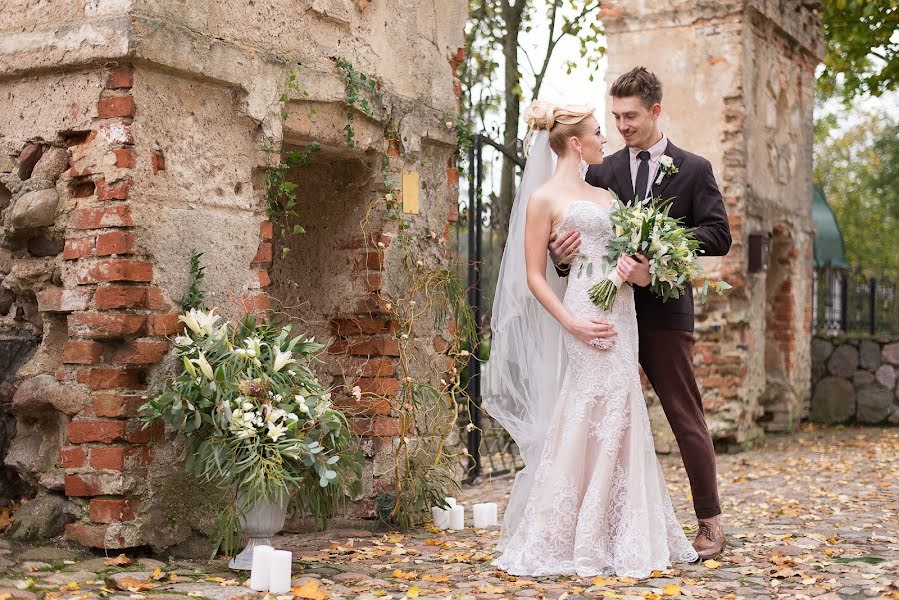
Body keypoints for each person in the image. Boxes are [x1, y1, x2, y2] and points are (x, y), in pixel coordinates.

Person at [485, 100, 699, 578]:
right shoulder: (543, 200)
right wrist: (571, 323)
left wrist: (639, 273)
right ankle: (569, 531)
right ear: (576, 143)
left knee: (622, 409)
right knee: (586, 407)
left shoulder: (605, 195)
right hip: (582, 312)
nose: (607, 139)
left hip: (622, 315)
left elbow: (632, 260)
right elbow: (536, 277)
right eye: (599, 132)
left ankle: (620, 527)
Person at [549, 66, 731, 560]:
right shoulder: (600, 171)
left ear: (654, 111)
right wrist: (562, 258)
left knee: (682, 412)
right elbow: (577, 239)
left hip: (665, 313)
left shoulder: (694, 169)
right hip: (609, 311)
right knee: (604, 417)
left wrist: (664, 246)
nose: (622, 125)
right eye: (615, 117)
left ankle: (710, 522)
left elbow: (719, 234)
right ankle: (603, 525)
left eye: (631, 116)